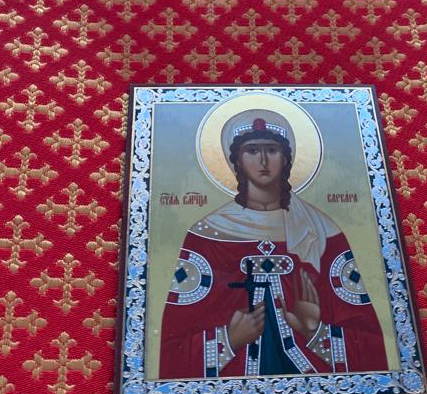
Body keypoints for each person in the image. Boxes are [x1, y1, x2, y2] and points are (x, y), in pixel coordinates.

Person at [159, 110, 388, 379]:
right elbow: (170, 352)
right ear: (237, 160)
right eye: (252, 150)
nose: (263, 161)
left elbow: (373, 350)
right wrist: (229, 339)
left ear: (286, 158)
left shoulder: (321, 232)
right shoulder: (207, 235)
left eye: (272, 150)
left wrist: (314, 331)